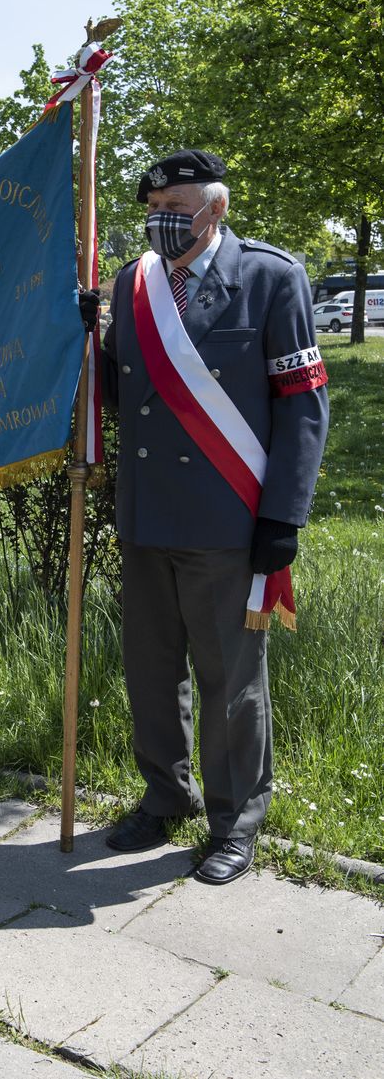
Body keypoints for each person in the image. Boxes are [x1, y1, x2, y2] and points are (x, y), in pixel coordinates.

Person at [92, 149, 329, 884]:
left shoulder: (270, 277)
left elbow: (303, 403)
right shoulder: (133, 283)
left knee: (232, 680)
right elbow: (117, 395)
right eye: (154, 207)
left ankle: (235, 821)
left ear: (216, 208)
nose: (164, 219)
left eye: (179, 205)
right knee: (151, 672)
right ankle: (165, 795)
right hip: (146, 518)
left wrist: (283, 516)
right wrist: (86, 338)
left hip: (230, 521)